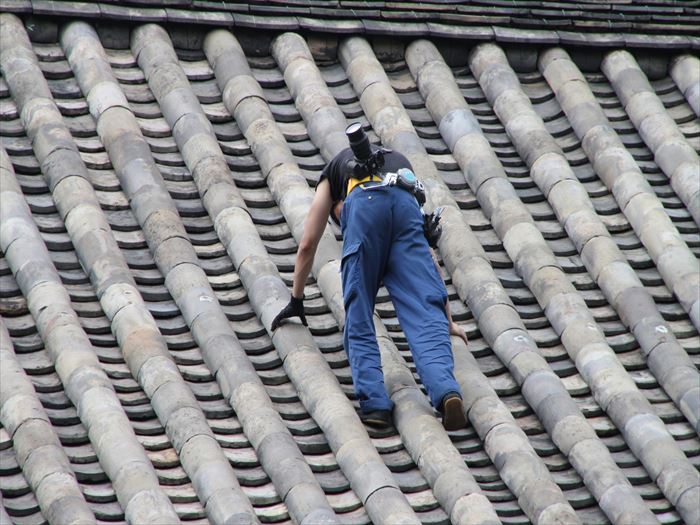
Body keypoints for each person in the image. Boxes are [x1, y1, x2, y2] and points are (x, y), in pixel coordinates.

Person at [271, 123, 467, 431]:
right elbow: (429, 264)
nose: (339, 220)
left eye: (337, 216)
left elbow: (308, 243)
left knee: (359, 310)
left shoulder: (334, 171)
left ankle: (375, 405)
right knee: (425, 311)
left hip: (366, 207)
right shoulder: (400, 162)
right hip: (406, 210)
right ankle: (446, 391)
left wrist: (296, 299)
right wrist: (448, 319)